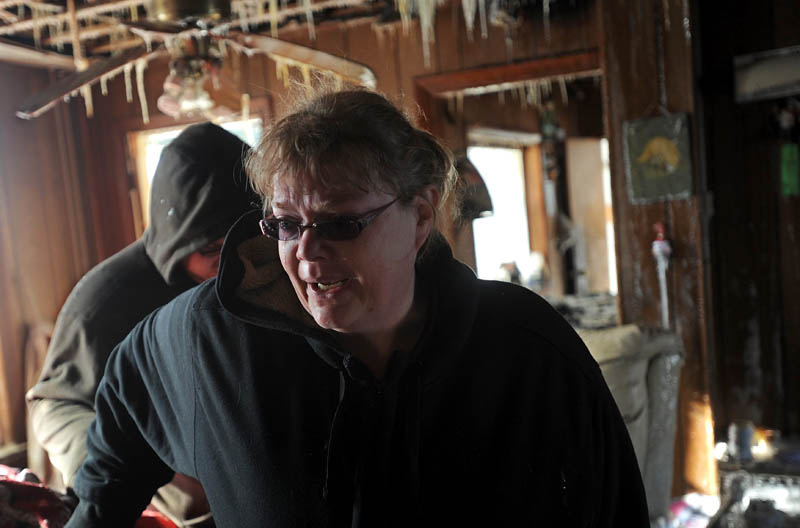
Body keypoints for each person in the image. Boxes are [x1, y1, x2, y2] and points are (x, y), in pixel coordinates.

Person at [64, 90, 649, 527]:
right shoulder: (214, 339)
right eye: (287, 225)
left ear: (421, 216)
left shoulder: (526, 349)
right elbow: (121, 409)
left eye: (341, 223)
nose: (307, 254)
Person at [27, 122, 257, 527]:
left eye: (244, 241)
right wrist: (109, 471)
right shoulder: (108, 299)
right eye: (213, 250)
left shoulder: (257, 276)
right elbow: (54, 404)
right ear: (178, 241)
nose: (234, 263)